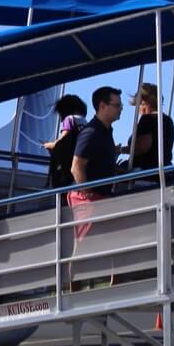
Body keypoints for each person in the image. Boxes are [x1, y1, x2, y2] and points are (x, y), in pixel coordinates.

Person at [69, 86, 124, 247]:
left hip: (101, 198)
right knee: (84, 246)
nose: (120, 109)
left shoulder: (105, 131)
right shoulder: (91, 132)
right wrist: (88, 195)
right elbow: (76, 167)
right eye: (117, 105)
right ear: (102, 106)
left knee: (104, 245)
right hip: (91, 201)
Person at [129, 82, 174, 178]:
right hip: (164, 173)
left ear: (144, 102)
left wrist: (120, 150)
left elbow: (142, 147)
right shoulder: (167, 120)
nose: (137, 109)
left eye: (138, 105)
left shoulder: (147, 119)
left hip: (146, 175)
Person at [45, 94, 87, 190]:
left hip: (69, 170)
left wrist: (47, 145)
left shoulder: (70, 119)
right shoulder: (84, 122)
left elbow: (61, 143)